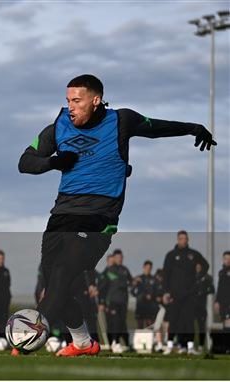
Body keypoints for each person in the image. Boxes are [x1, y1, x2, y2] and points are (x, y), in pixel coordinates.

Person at [18, 74, 215, 357]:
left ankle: (31, 331)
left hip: (100, 217)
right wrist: (53, 162)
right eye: (67, 101)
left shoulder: (122, 121)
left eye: (77, 100)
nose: (70, 107)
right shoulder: (58, 127)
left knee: (62, 272)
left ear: (95, 101)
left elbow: (157, 127)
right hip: (61, 215)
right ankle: (83, 343)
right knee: (56, 286)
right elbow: (25, 162)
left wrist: (194, 128)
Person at [162, 230, 209, 355]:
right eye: (181, 238)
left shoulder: (193, 254)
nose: (184, 240)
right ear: (178, 239)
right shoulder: (171, 255)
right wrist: (166, 292)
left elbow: (206, 265)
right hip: (174, 294)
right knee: (173, 320)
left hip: (190, 294)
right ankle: (170, 346)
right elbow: (165, 274)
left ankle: (190, 347)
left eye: (186, 238)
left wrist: (200, 272)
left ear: (188, 240)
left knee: (188, 321)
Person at [98, 249, 132, 353]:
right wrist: (101, 302)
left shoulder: (125, 270)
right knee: (114, 322)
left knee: (122, 323)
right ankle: (114, 342)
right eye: (117, 257)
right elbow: (102, 288)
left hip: (123, 301)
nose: (119, 259)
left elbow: (131, 282)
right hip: (112, 301)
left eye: (121, 257)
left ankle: (125, 344)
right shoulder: (109, 271)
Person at [193, 262, 214, 350]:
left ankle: (201, 345)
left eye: (199, 266)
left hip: (201, 306)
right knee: (189, 326)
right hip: (191, 306)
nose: (198, 268)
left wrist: (204, 291)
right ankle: (190, 345)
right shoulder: (190, 276)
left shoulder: (206, 277)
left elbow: (212, 289)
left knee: (201, 326)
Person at [132, 260, 159, 329]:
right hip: (140, 306)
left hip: (150, 307)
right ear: (144, 267)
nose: (148, 269)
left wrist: (151, 296)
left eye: (150, 268)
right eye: (147, 268)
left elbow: (157, 293)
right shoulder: (138, 278)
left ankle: (150, 339)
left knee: (149, 327)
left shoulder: (154, 279)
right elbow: (133, 292)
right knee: (140, 326)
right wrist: (135, 285)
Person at [215, 251, 230, 330]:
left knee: (228, 324)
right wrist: (217, 301)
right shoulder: (221, 272)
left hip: (229, 303)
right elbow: (220, 288)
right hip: (222, 303)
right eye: (226, 259)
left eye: (229, 259)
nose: (228, 260)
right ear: (223, 259)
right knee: (224, 323)